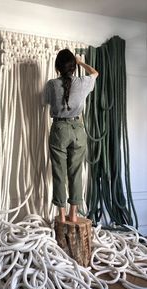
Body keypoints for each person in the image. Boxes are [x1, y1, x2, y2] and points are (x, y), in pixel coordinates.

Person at [43, 49, 98, 223]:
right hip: (78, 129)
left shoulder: (52, 84)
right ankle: (74, 214)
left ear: (57, 67)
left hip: (60, 129)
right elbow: (95, 73)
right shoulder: (83, 82)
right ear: (73, 67)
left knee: (60, 173)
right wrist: (80, 62)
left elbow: (47, 101)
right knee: (76, 172)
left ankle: (61, 215)